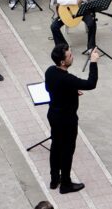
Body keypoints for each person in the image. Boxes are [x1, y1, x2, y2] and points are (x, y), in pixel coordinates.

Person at [42, 44, 99, 194]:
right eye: (70, 56)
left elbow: (50, 88)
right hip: (67, 120)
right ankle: (66, 184)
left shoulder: (50, 71)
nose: (72, 57)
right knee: (67, 151)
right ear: (62, 62)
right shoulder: (68, 79)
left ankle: (54, 179)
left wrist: (71, 91)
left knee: (56, 146)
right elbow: (91, 83)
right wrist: (93, 62)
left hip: (53, 115)